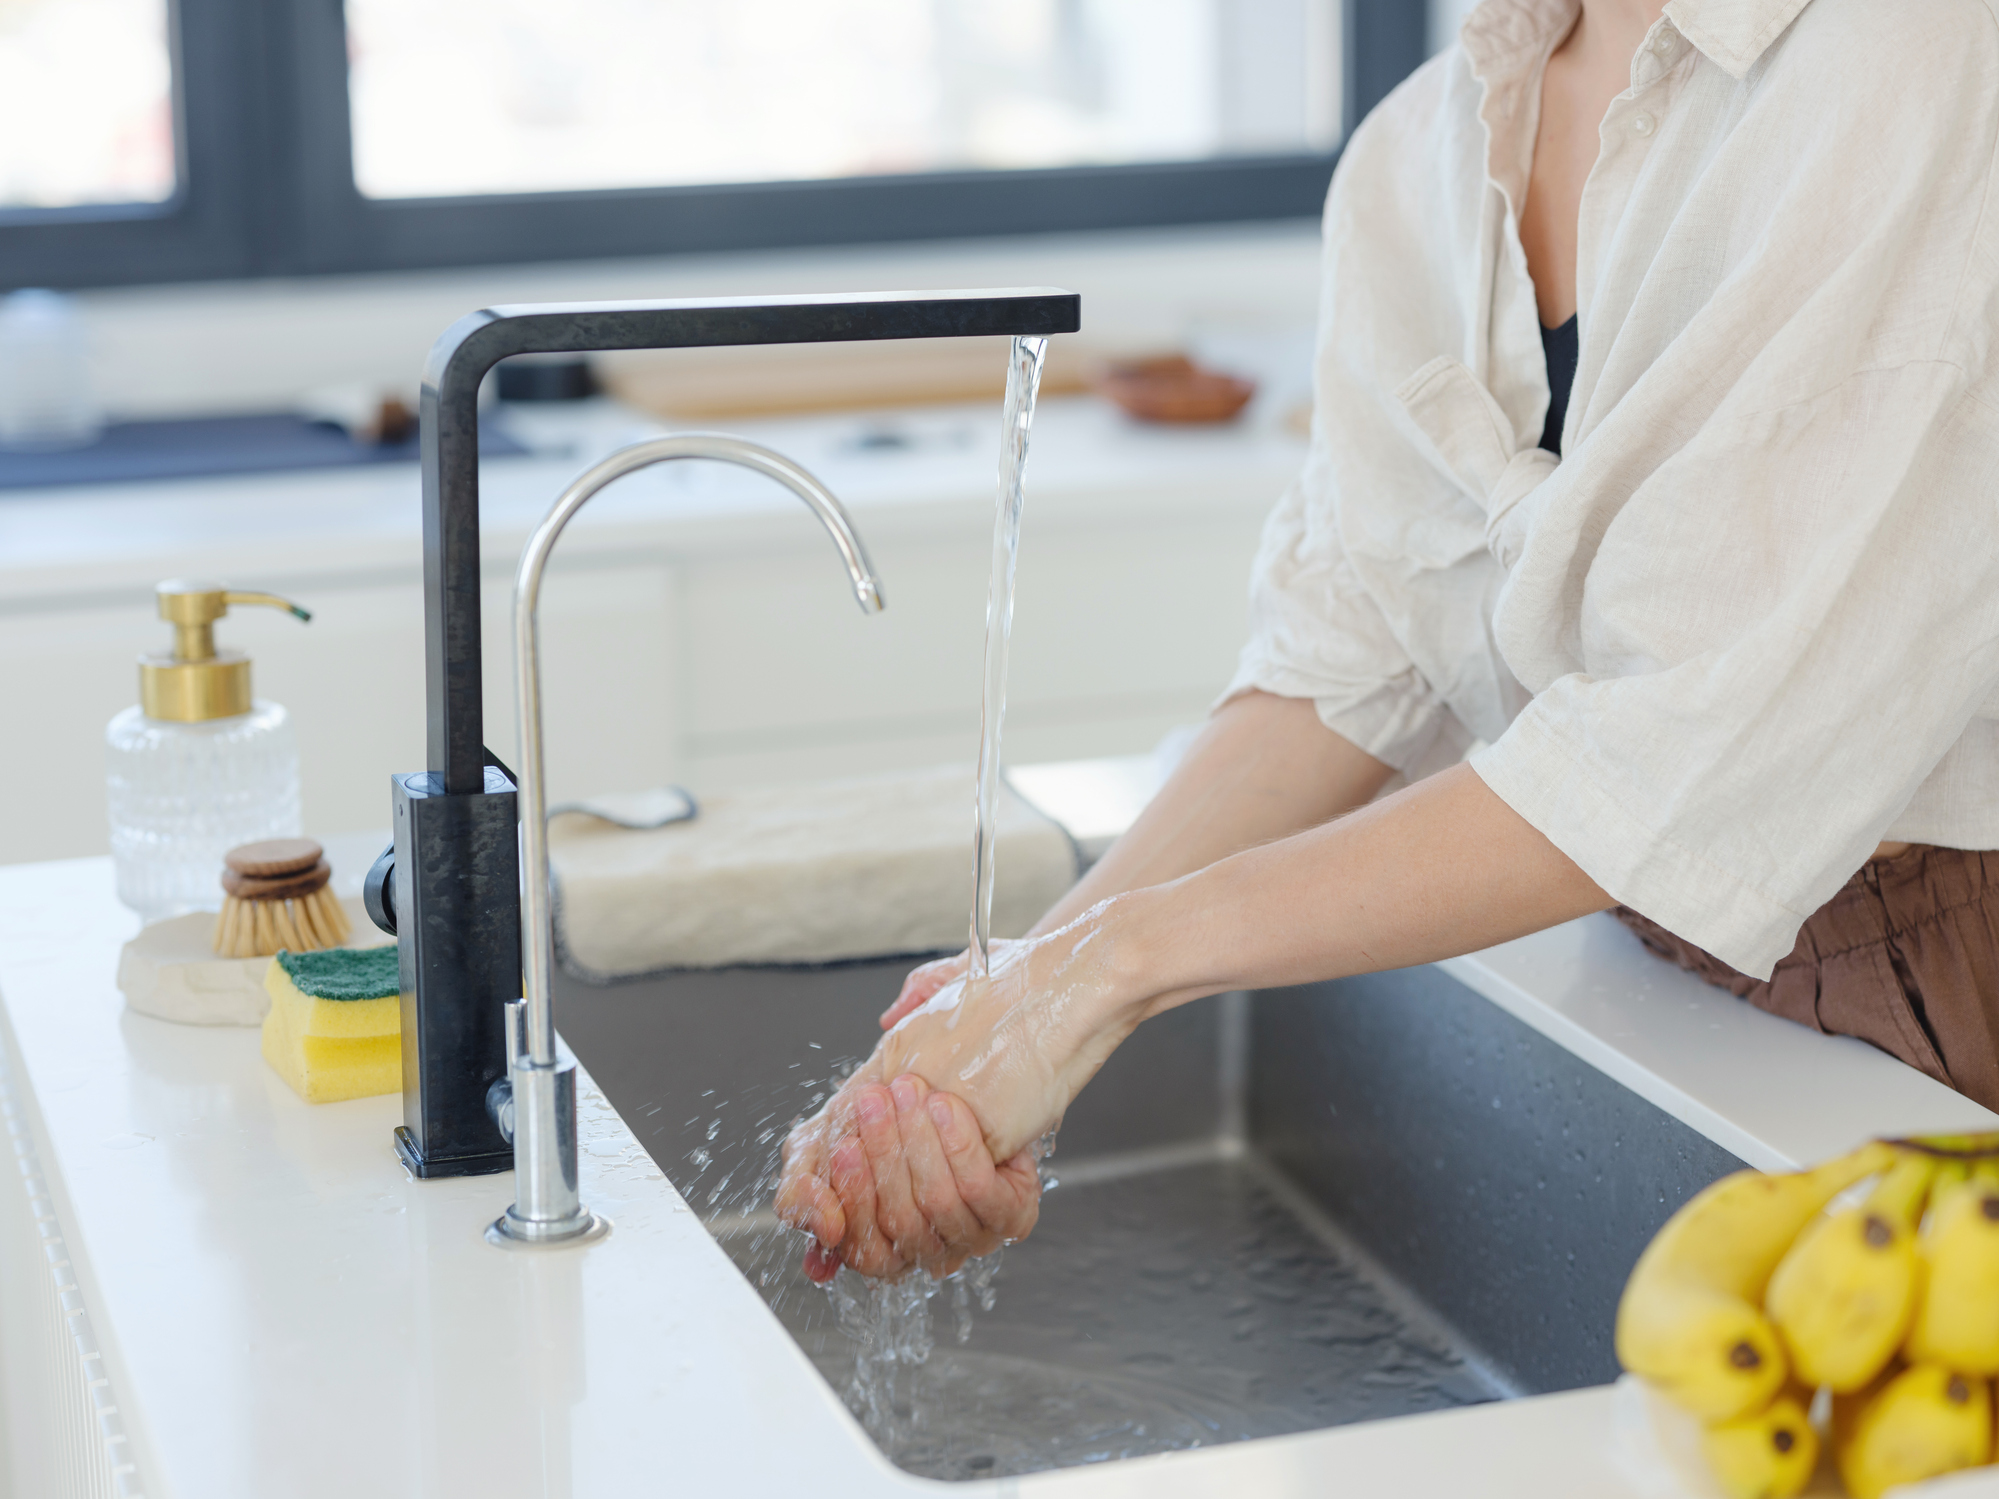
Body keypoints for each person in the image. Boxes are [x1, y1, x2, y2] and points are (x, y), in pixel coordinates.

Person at [776, 0, 1999, 1283]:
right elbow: (1351, 651)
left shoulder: (1912, 54)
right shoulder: (1420, 149)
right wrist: (1028, 979)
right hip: (1656, 959)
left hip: (1940, 982)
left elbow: (1680, 747)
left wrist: (1107, 974)